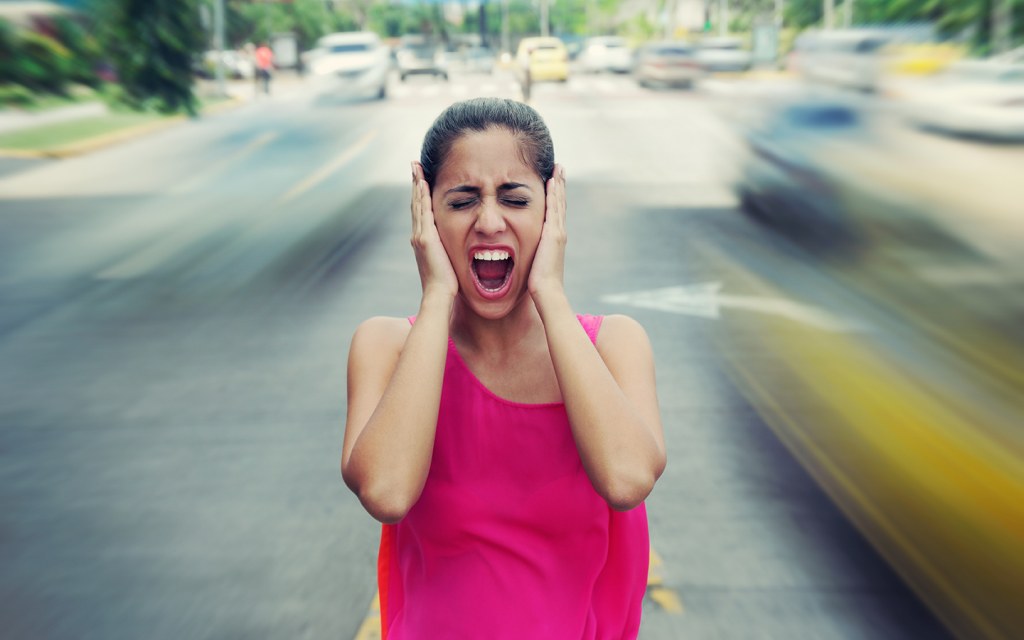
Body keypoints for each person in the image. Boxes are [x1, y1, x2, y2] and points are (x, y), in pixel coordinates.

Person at [342, 97, 666, 638]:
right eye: (462, 200)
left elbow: (627, 479)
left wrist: (550, 292)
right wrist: (438, 296)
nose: (488, 221)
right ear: (425, 212)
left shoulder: (615, 345)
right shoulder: (387, 345)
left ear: (552, 207)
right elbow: (388, 492)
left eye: (514, 198)